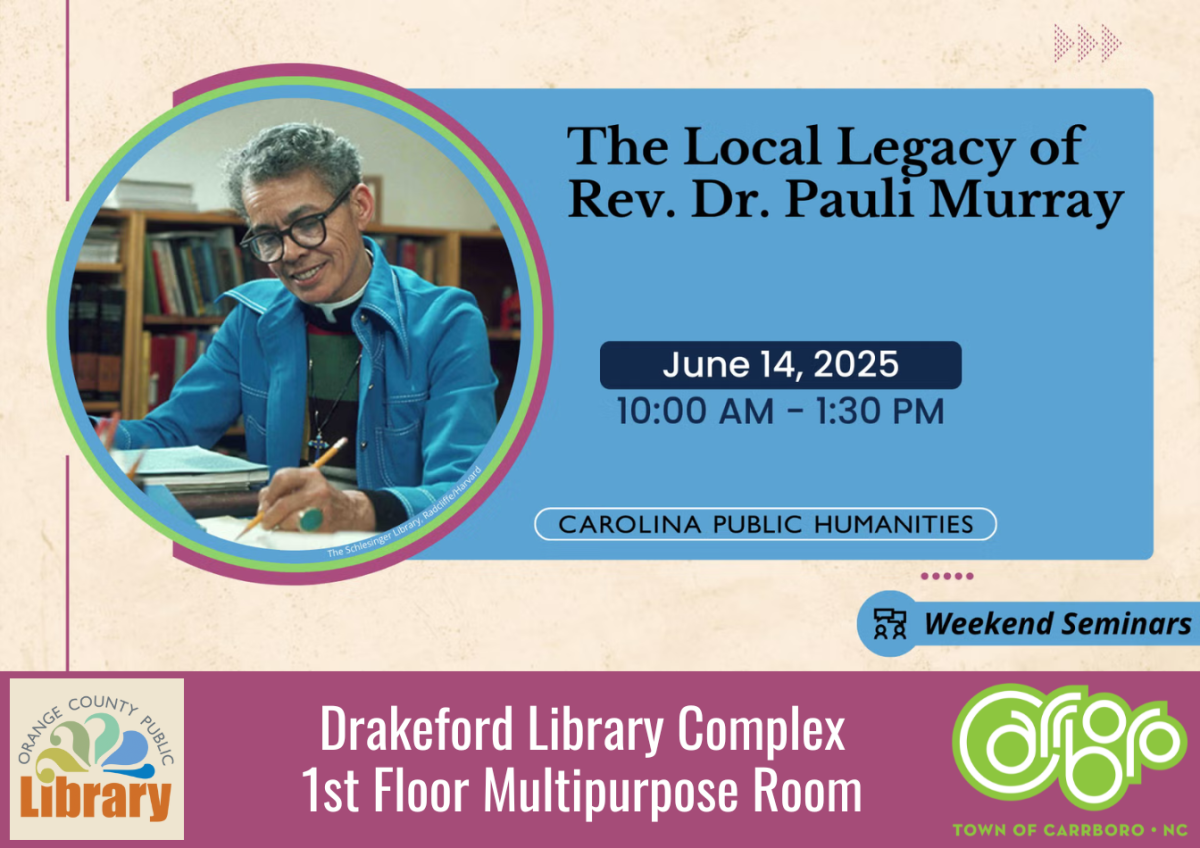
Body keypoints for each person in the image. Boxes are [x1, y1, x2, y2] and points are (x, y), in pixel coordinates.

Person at [107, 123, 498, 533]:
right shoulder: (251, 319)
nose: (290, 253)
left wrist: (352, 510)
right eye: (267, 237)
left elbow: (464, 489)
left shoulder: (447, 322)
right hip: (279, 546)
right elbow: (171, 431)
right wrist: (93, 437)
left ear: (361, 206)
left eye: (309, 223)